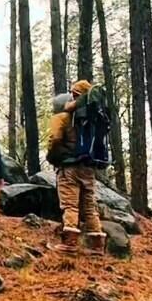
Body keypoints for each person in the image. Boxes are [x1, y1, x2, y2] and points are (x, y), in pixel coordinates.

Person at [46, 79, 106, 254]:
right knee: (89, 206)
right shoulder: (90, 117)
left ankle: (69, 244)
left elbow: (55, 139)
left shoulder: (63, 117)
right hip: (88, 166)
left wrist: (53, 155)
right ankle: (97, 245)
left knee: (70, 205)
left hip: (69, 167)